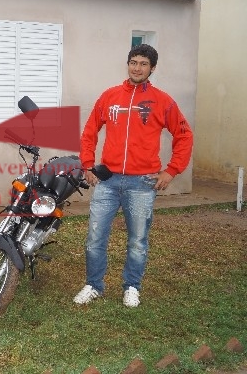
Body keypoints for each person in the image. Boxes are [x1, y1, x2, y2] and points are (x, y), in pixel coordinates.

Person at [74, 43, 193, 308]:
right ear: (128, 64)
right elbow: (90, 131)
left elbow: (184, 135)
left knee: (137, 241)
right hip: (108, 181)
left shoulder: (163, 101)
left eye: (143, 64)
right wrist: (87, 164)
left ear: (152, 68)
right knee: (95, 238)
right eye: (133, 62)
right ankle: (94, 285)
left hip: (142, 183)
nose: (137, 68)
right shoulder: (109, 96)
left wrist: (172, 170)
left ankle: (131, 287)